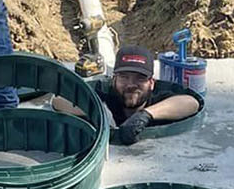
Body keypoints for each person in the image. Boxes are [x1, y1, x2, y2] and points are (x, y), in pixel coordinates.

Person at [58, 46, 203, 145]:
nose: (131, 84)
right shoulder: (104, 92)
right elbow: (59, 100)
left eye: (140, 78)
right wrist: (97, 109)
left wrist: (146, 114)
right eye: (124, 77)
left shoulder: (159, 97)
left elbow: (192, 103)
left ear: (152, 83)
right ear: (114, 79)